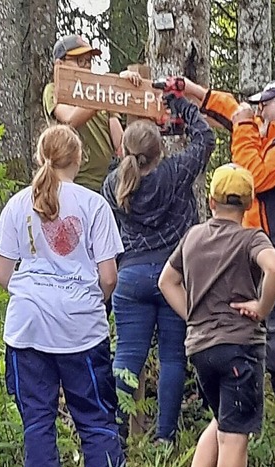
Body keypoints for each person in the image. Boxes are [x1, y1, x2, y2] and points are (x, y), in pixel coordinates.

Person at [182, 77, 275, 453]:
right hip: (271, 255)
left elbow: (254, 176)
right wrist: (191, 92)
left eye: (265, 106)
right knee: (267, 342)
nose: (258, 111)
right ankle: (260, 421)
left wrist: (246, 124)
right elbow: (235, 113)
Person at [0, 124, 127, 467]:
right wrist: (91, 304)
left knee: (37, 422)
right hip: (81, 330)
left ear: (39, 157)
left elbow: (2, 274)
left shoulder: (17, 206)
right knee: (97, 419)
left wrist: (35, 293)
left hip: (27, 329)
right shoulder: (94, 206)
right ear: (80, 158)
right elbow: (108, 276)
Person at [159, 163, 275, 467]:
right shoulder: (251, 239)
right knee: (235, 436)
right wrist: (262, 307)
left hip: (200, 349)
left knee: (221, 420)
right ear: (248, 205)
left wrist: (193, 316)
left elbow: (167, 281)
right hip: (238, 347)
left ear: (210, 200)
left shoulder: (193, 237)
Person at [101, 89, 215, 447]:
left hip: (131, 276)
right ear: (159, 151)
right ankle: (165, 437)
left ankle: (114, 433)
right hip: (174, 277)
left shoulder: (113, 184)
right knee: (172, 357)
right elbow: (206, 137)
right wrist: (180, 105)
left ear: (123, 152)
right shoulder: (176, 172)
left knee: (127, 356)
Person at [42, 34, 142, 193]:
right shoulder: (54, 90)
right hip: (75, 181)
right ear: (60, 64)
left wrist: (119, 88)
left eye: (88, 61)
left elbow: (120, 143)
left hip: (108, 182)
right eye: (80, 61)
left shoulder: (101, 93)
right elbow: (69, 120)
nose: (86, 66)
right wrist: (107, 89)